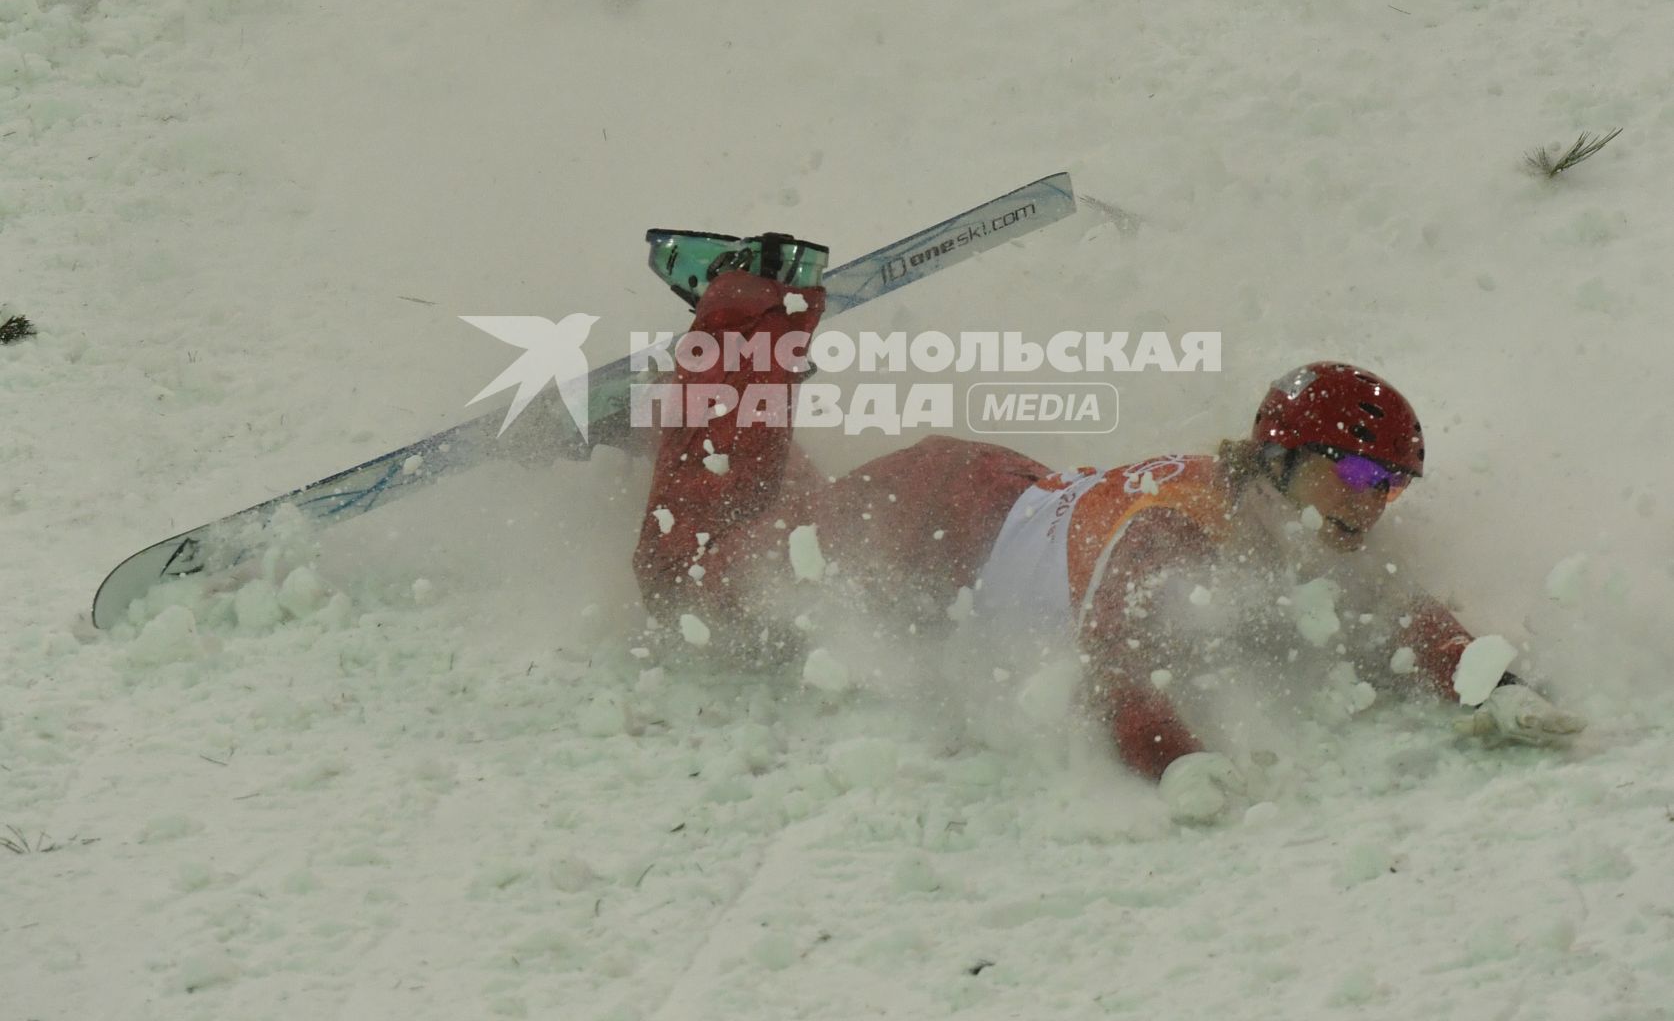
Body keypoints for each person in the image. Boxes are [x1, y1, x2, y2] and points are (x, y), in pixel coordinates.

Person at [629, 233, 1585, 822]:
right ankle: (742, 308)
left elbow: (1403, 617)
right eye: (1363, 473)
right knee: (696, 589)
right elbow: (1115, 665)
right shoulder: (1178, 535)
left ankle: (694, 409)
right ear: (1288, 459)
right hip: (941, 518)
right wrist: (1174, 762)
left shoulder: (1296, 525)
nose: (1376, 501)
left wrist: (1491, 687)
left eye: (1397, 484)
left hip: (1000, 506)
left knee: (773, 533)